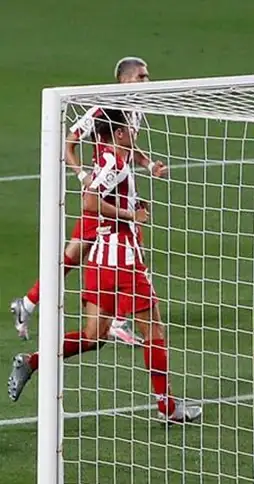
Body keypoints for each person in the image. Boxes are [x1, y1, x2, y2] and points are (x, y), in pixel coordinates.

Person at [8, 108, 200, 424]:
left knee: (93, 336)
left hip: (99, 262)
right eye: (129, 131)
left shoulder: (111, 160)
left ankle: (31, 361)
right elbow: (90, 202)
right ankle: (168, 408)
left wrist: (132, 202)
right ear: (120, 133)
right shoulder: (115, 163)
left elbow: (102, 195)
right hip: (124, 261)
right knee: (154, 331)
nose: (134, 133)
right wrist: (131, 215)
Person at [10, 57, 165, 345]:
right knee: (120, 251)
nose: (147, 81)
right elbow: (68, 143)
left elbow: (129, 147)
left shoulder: (136, 110)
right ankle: (115, 319)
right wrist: (83, 176)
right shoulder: (101, 109)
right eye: (141, 76)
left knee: (81, 255)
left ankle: (29, 304)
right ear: (124, 80)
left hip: (118, 191)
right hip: (102, 197)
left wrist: (149, 164)